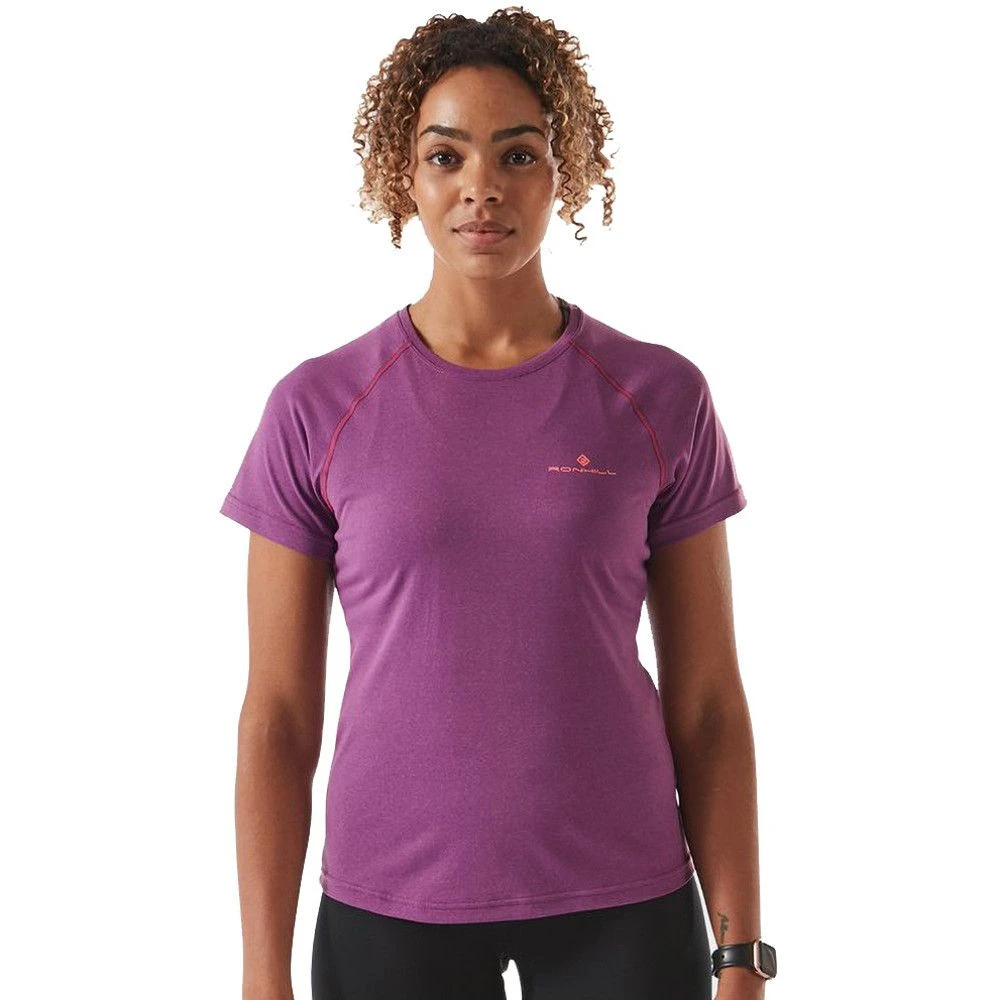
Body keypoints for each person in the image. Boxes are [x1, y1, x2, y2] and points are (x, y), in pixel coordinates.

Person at [220, 8, 776, 1000]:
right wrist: (263, 974)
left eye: (519, 154)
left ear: (566, 172)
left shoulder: (657, 397)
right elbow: (277, 717)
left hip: (624, 904)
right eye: (447, 156)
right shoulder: (318, 407)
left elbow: (707, 703)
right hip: (390, 912)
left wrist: (740, 953)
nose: (482, 187)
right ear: (404, 175)